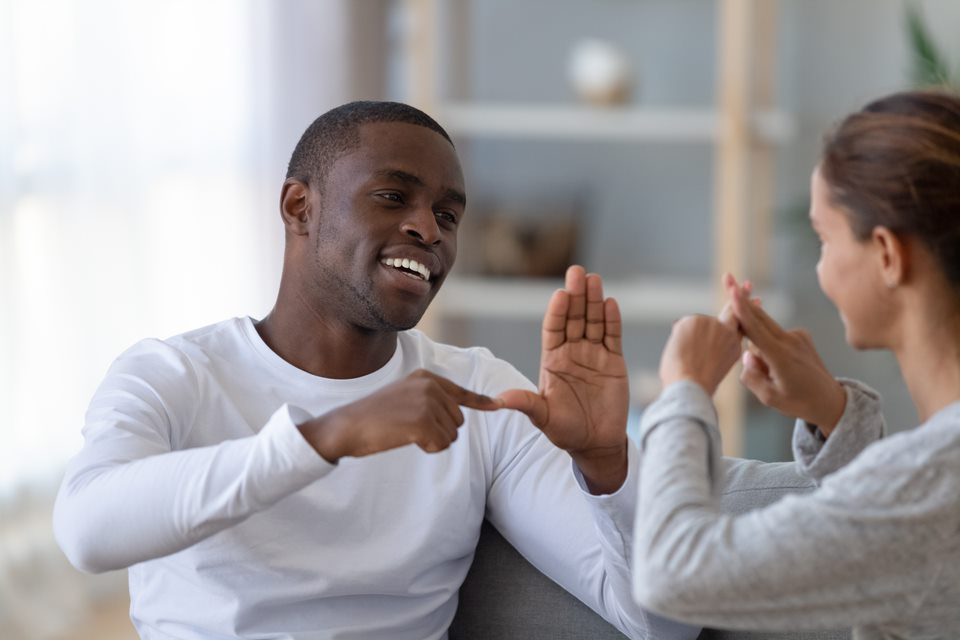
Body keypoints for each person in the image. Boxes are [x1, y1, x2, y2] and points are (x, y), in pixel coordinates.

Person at [53, 101, 698, 640]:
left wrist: (608, 462)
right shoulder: (173, 375)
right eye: (394, 197)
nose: (428, 229)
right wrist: (328, 436)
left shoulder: (482, 392)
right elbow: (88, 533)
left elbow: (661, 623)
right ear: (299, 206)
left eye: (448, 215)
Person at [631, 89, 960, 638]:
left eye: (823, 239)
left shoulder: (935, 477)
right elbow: (897, 542)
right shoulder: (933, 476)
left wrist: (685, 390)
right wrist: (834, 413)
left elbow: (672, 576)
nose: (820, 269)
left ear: (886, 254)